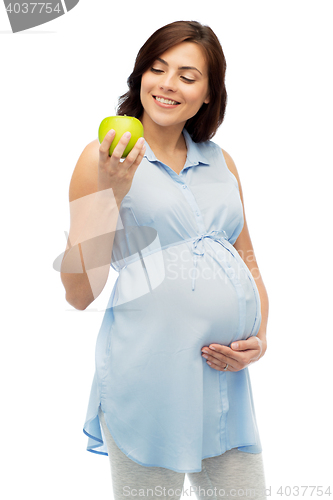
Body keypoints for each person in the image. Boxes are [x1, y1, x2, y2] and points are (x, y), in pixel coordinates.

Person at [60, 20, 269, 500]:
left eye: (187, 75)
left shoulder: (221, 161)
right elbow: (77, 292)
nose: (168, 84)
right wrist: (112, 190)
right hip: (149, 380)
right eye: (157, 69)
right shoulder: (102, 156)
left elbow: (248, 260)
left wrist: (260, 339)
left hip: (224, 383)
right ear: (140, 78)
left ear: (210, 94)